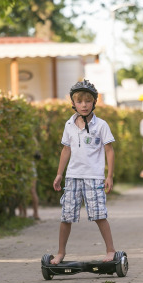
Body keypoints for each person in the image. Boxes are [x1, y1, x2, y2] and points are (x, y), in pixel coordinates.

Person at [51, 79, 116, 265]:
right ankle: (60, 252)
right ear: (73, 104)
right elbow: (66, 150)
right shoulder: (69, 124)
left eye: (88, 101)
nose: (84, 105)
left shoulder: (101, 125)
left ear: (94, 102)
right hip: (73, 177)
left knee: (99, 215)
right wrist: (59, 174)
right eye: (79, 101)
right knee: (66, 216)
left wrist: (109, 176)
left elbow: (109, 150)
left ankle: (110, 250)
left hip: (94, 177)